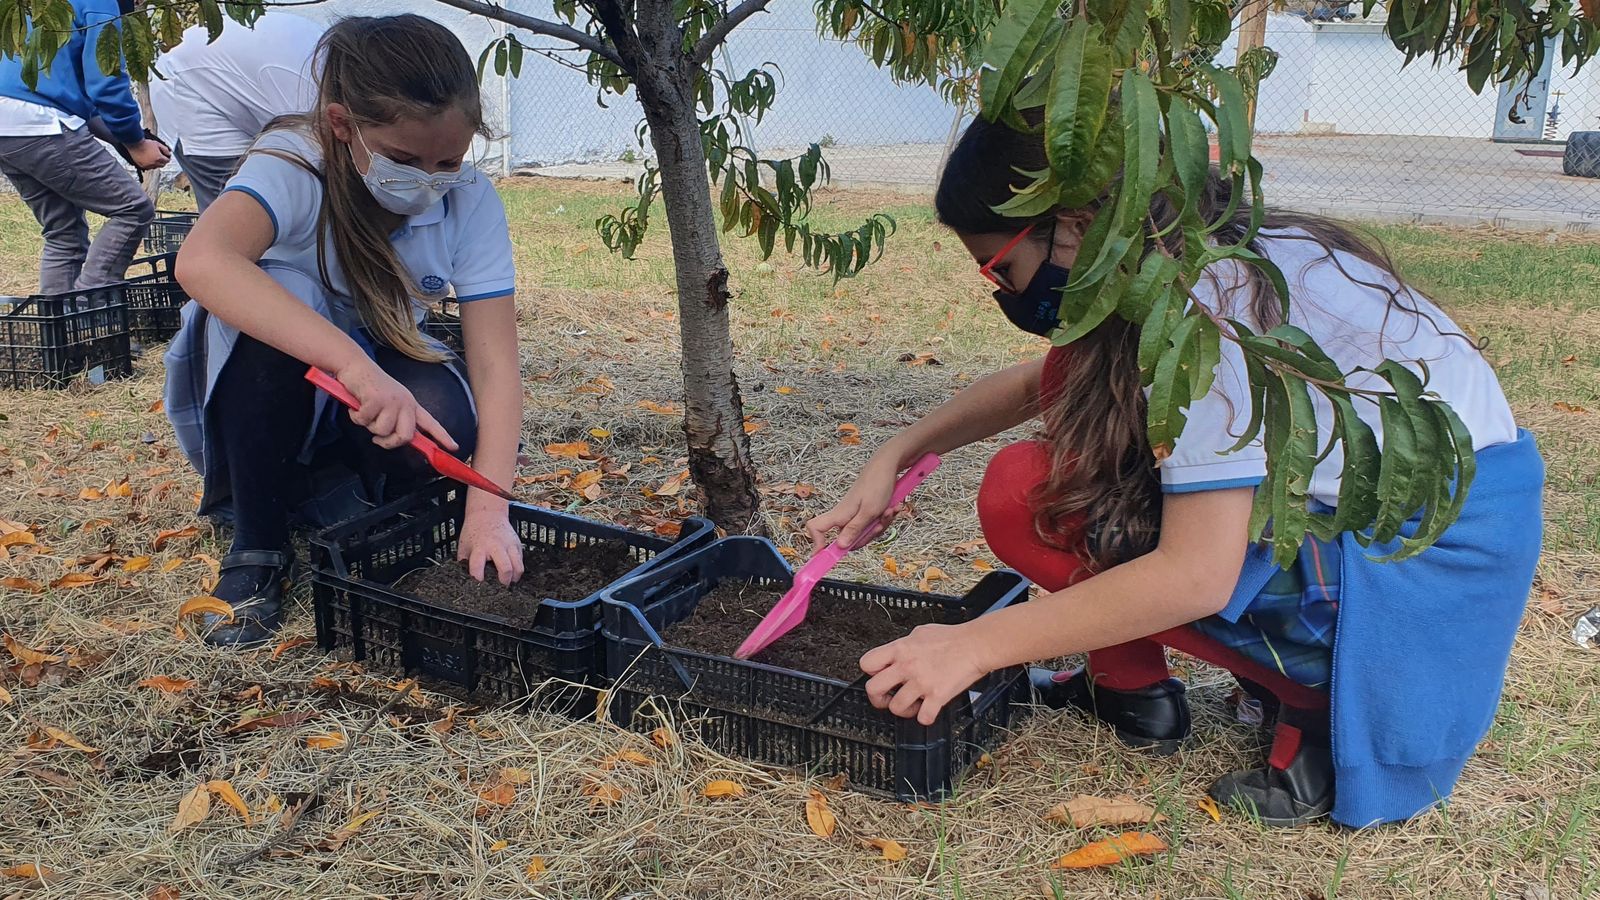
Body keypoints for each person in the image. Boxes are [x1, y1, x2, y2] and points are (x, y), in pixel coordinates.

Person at [807, 114, 1544, 829]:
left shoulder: (1211, 306)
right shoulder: (1192, 254)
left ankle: (1324, 709)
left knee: (1049, 498)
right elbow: (1043, 382)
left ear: (1069, 222)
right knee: (1027, 483)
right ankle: (1130, 695)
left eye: (999, 267)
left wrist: (971, 646)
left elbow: (1197, 574)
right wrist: (894, 454)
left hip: (1418, 583)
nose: (1001, 292)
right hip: (1396, 538)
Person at [164, 15, 524, 647]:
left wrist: (489, 507)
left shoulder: (469, 199)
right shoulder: (292, 164)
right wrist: (353, 368)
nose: (428, 180)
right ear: (341, 126)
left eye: (449, 161)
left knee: (445, 416)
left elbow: (496, 363)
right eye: (404, 159)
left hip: (373, 366)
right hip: (268, 382)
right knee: (281, 306)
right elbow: (202, 261)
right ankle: (258, 545)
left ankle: (345, 490)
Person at [0, 0, 170, 293]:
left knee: (64, 233)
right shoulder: (99, 3)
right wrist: (134, 141)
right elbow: (106, 84)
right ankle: (93, 306)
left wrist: (128, 141)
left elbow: (80, 100)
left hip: (9, 127)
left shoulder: (36, 5)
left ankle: (61, 331)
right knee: (133, 209)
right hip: (43, 123)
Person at [149, 11, 326, 211]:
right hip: (190, 86)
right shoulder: (309, 88)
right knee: (236, 210)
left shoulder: (330, 68)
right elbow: (315, 164)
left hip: (242, 78)